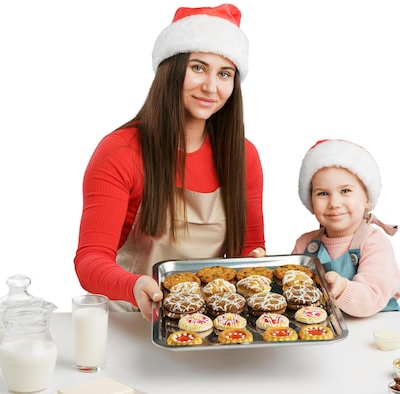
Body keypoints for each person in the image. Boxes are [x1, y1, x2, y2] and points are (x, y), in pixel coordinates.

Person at [73, 4, 266, 321]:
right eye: (198, 68)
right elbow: (90, 259)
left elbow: (250, 248)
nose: (210, 87)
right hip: (134, 317)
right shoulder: (120, 152)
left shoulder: (243, 156)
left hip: (214, 320)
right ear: (171, 68)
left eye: (224, 74)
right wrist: (133, 285)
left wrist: (256, 263)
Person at [291, 139, 400, 317]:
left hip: (377, 329)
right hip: (328, 329)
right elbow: (290, 289)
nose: (334, 203)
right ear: (310, 201)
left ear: (368, 198)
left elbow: (372, 298)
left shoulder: (375, 243)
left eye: (345, 191)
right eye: (323, 193)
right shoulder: (305, 244)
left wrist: (342, 289)